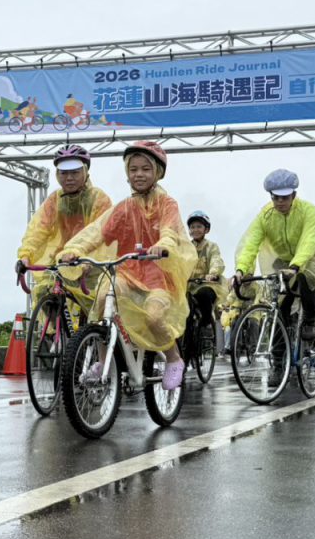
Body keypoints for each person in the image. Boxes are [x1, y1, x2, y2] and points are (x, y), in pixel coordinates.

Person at [58, 140, 196, 391]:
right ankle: (102, 362)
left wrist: (162, 245)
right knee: (102, 303)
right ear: (127, 173)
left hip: (159, 277)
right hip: (127, 272)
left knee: (154, 318)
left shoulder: (168, 204)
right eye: (133, 169)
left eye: (145, 169)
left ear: (157, 172)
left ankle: (174, 359)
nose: (139, 174)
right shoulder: (124, 207)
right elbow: (97, 232)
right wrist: (74, 250)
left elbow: (170, 231)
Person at [233, 168, 315, 344]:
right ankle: (280, 350)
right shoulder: (265, 216)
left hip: (311, 257)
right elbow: (251, 243)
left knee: (306, 276)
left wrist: (296, 266)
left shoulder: (308, 211)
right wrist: (240, 270)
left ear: (294, 195)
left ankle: (310, 321)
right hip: (285, 261)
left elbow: (309, 241)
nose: (280, 202)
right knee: (280, 303)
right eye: (275, 198)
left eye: (285, 197)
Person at [16, 144, 111, 310]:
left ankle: (94, 333)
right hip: (61, 260)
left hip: (91, 261)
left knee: (97, 309)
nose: (69, 178)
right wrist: (25, 255)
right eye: (64, 173)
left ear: (86, 172)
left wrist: (87, 258)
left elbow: (102, 234)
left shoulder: (99, 198)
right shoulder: (55, 199)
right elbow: (38, 230)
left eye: (75, 172)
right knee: (44, 292)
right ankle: (50, 335)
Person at [186, 210, 225, 327]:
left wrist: (213, 273)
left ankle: (207, 324)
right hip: (189, 285)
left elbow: (216, 260)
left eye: (199, 226)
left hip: (207, 284)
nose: (195, 230)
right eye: (192, 227)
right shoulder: (186, 247)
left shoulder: (211, 247)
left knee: (204, 294)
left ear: (206, 229)